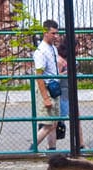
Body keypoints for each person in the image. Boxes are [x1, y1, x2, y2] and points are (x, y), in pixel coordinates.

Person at [30, 19, 60, 151]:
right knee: (48, 124)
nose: (56, 36)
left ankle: (52, 149)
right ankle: (31, 148)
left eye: (56, 33)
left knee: (54, 123)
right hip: (47, 88)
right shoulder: (41, 52)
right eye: (53, 33)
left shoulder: (53, 48)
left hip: (54, 86)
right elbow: (39, 76)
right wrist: (45, 97)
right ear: (45, 33)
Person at [56, 37, 87, 149]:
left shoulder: (72, 59)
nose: (78, 48)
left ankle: (80, 143)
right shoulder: (60, 60)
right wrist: (69, 72)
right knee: (56, 121)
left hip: (70, 92)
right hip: (62, 93)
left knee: (76, 118)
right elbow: (56, 77)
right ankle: (50, 145)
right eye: (76, 46)